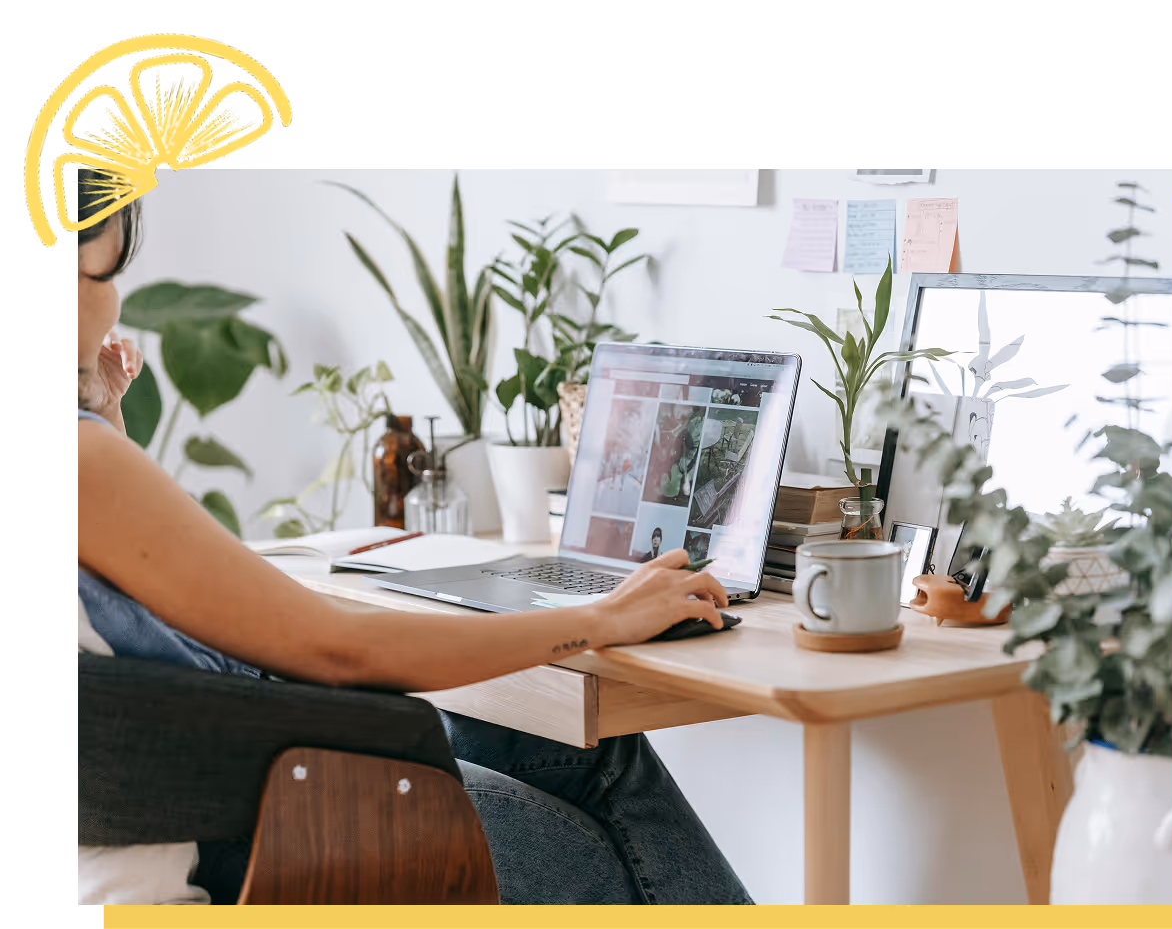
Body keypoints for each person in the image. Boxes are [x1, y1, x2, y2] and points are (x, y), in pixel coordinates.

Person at [76, 189, 753, 906]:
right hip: (260, 828)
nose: (117, 302)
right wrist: (604, 618)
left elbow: (115, 611)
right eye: (105, 274)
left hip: (223, 797)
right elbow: (343, 650)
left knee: (587, 749)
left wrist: (106, 412)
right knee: (619, 822)